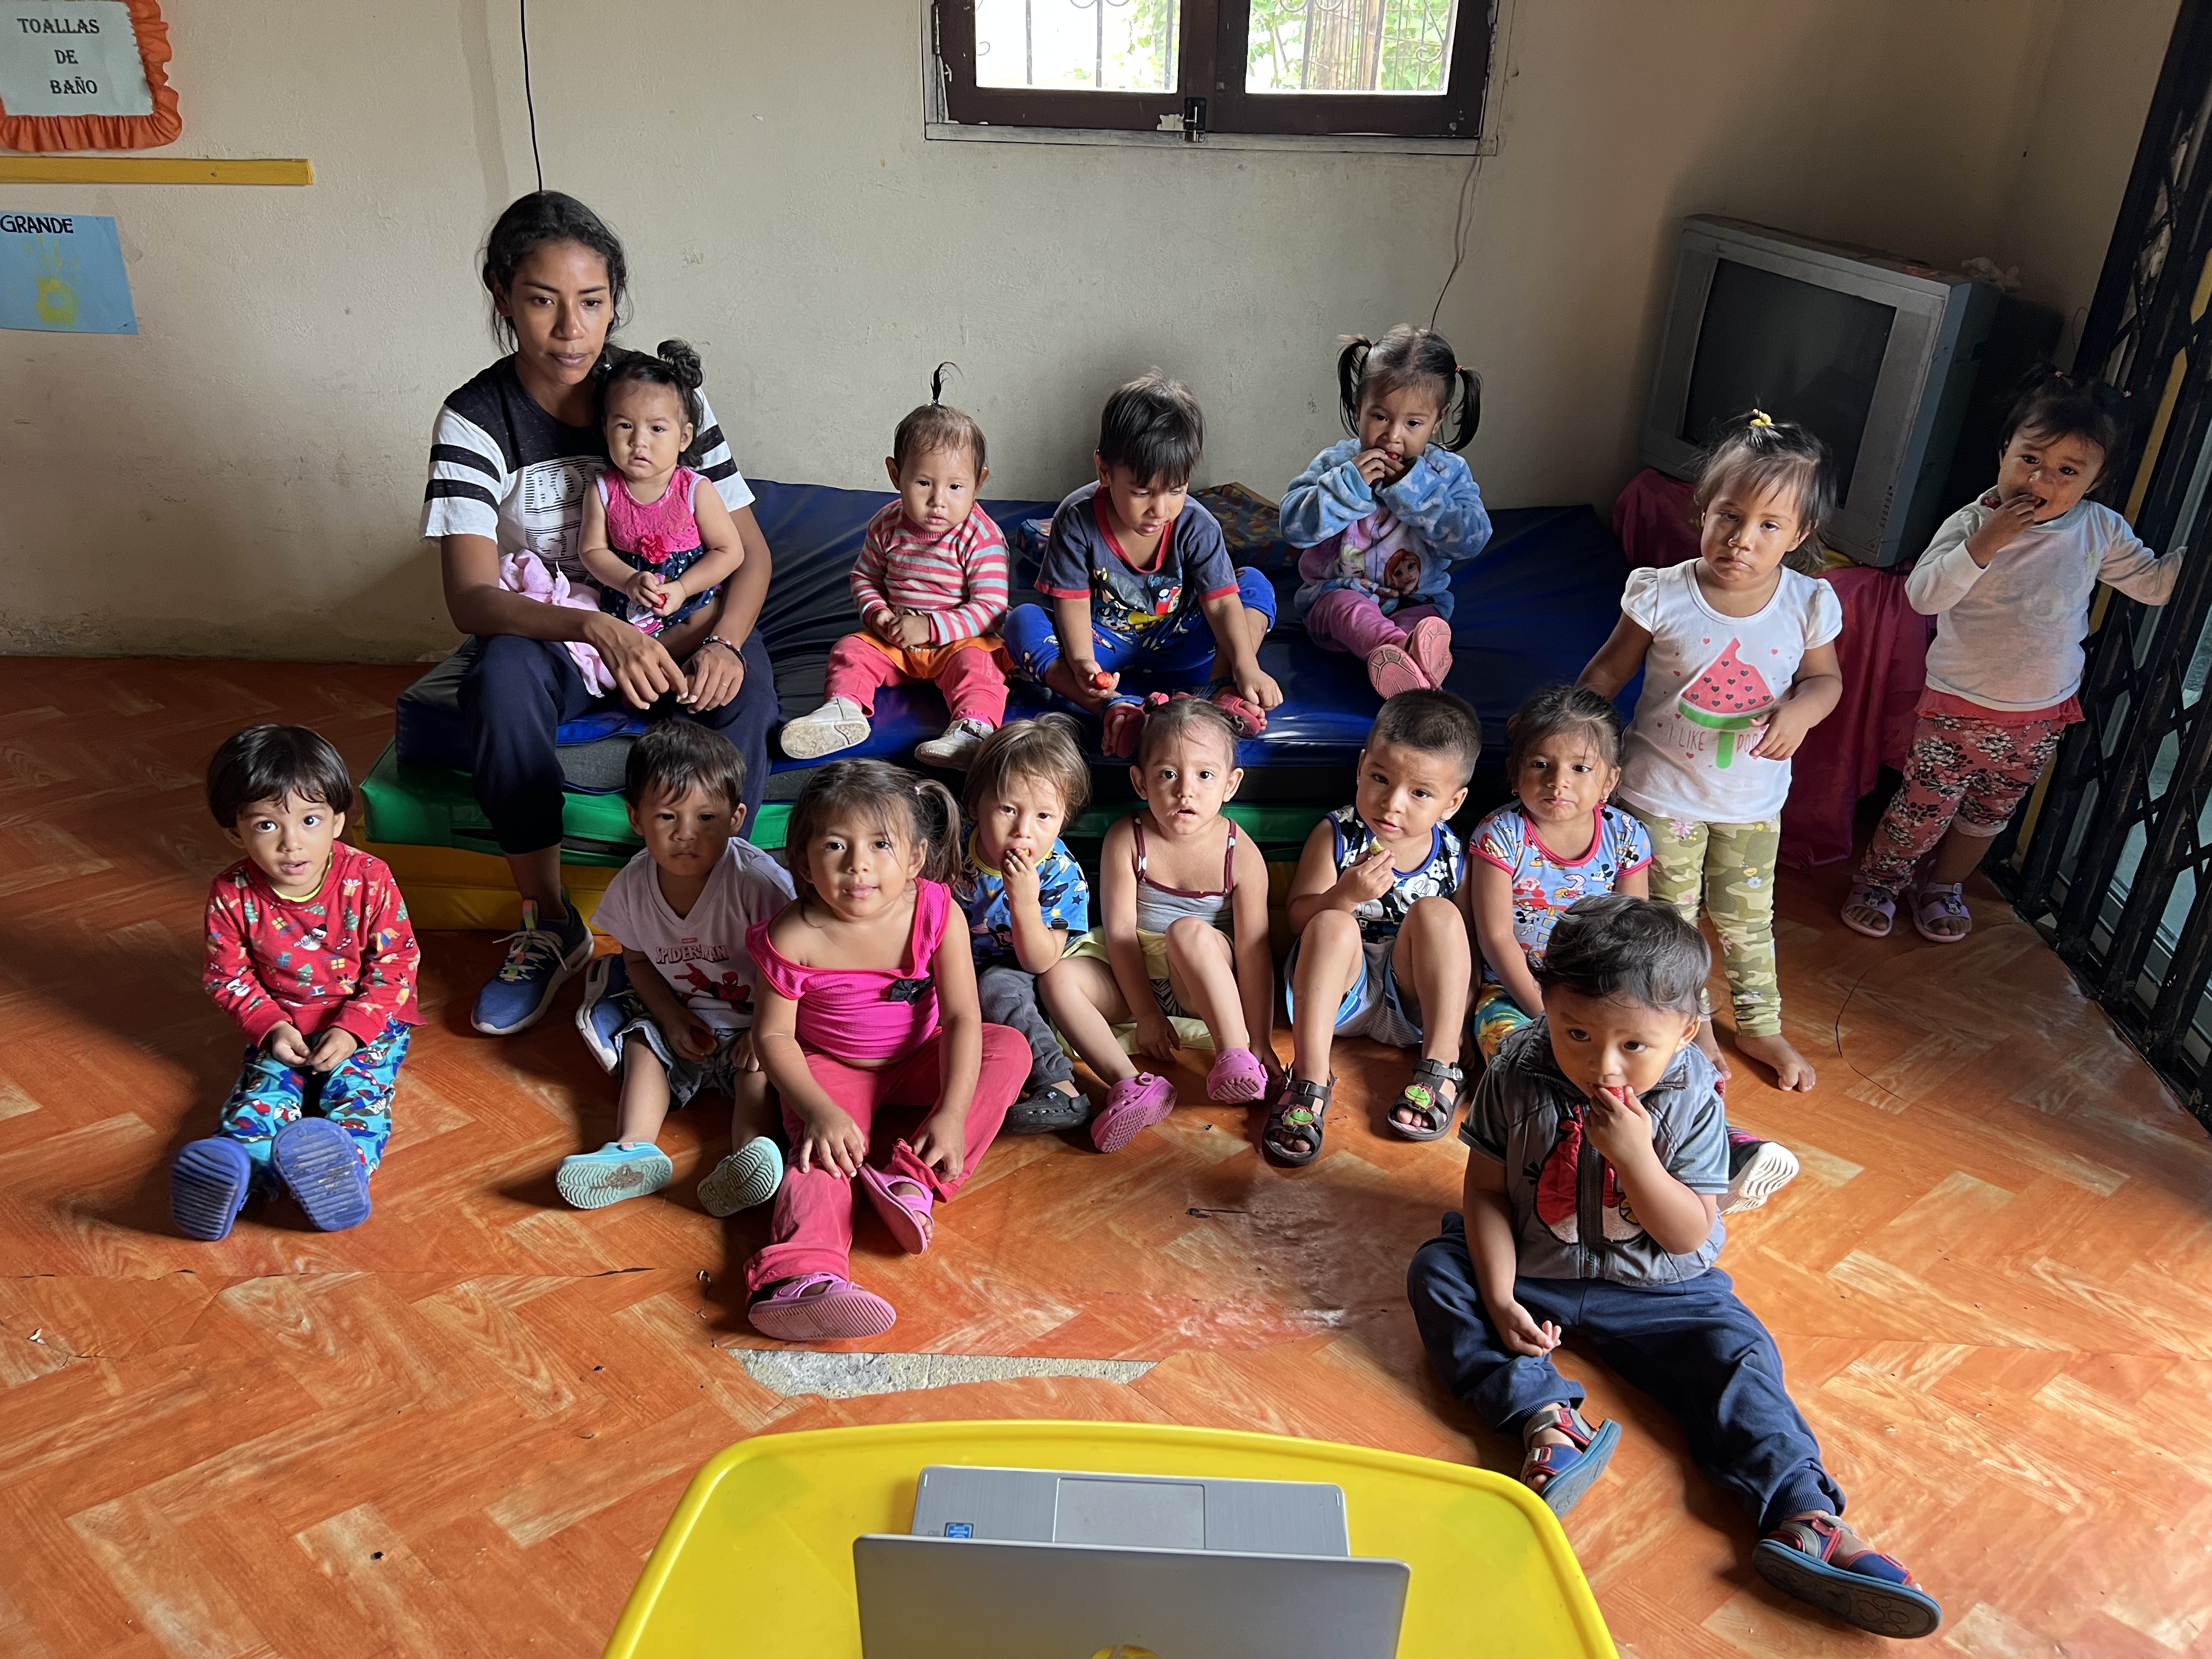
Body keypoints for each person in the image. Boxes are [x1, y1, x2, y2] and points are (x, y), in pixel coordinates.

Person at [1406, 896, 1943, 1640]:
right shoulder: (1516, 1068)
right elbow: (1488, 1193)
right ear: (1547, 1004)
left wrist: (1636, 1158)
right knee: (1440, 1271)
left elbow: (1690, 1232)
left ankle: (1803, 1516)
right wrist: (1498, 1296)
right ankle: (1547, 1421)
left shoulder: (1692, 1092)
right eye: (1576, 1032)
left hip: (1662, 1288)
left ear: (1686, 1030)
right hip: (1536, 1268)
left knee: (1739, 1355)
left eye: (1635, 1044)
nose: (1602, 1063)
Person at [422, 191, 778, 1039]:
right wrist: (594, 628)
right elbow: (470, 597)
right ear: (503, 295)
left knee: (746, 691)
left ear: (616, 299)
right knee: (499, 680)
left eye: (591, 301)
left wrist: (727, 643)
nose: (570, 329)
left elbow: (750, 554)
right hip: (565, 635)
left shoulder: (663, 395)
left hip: (681, 622)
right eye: (542, 300)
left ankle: (716, 916)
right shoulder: (476, 420)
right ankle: (551, 922)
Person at [1843, 368, 2181, 941]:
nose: (2041, 478)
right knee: (1922, 808)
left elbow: (2151, 585)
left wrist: (2191, 560)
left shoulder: (2099, 530)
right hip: (1957, 706)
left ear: (2096, 481)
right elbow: (1923, 596)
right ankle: (1880, 882)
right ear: (2004, 451)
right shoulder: (1973, 522)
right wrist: (1984, 545)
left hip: (2040, 714)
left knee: (1987, 815)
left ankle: (1944, 887)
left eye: (2068, 471)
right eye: (2029, 458)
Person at [1578, 412, 1843, 1092]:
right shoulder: (1662, 592)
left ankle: (1759, 1023)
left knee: (1748, 921)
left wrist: (1804, 710)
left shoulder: (1808, 602)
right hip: (1658, 794)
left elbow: (1825, 680)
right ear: (1704, 507)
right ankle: (1687, 1021)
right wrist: (1575, 739)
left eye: (1769, 526)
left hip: (1752, 803)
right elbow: (1606, 673)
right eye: (1729, 516)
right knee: (1668, 921)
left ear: (1801, 534)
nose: (1741, 539)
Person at [1471, 685, 1798, 1213]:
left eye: (1580, 768)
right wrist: (1545, 1010)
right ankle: (1586, 1161)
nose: (1557, 782)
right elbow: (1497, 937)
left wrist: (1679, 1023)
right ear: (1515, 774)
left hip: (1609, 997)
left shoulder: (1625, 836)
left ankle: (1722, 1147)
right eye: (1540, 765)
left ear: (1610, 781)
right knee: (1520, 1055)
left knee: (1655, 1053)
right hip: (1515, 993)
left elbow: (1636, 933)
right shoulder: (1500, 836)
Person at [743, 761, 1028, 1341]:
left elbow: (962, 1017)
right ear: (804, 862)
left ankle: (912, 1182)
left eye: (880, 844)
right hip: (830, 1068)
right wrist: (819, 1110)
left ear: (916, 858)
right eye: (835, 845)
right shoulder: (792, 936)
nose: (859, 864)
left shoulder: (936, 911)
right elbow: (772, 1037)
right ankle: (803, 1276)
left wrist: (952, 1114)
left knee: (1010, 1049)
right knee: (822, 1156)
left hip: (922, 1054)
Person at [172, 726, 420, 1240]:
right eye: (267, 825)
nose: (291, 843)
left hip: (369, 1023)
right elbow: (227, 976)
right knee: (261, 1095)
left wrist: (354, 1028)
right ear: (235, 832)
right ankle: (238, 1173)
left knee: (359, 1095)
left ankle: (340, 1172)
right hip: (283, 1026)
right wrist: (270, 1026)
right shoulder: (231, 893)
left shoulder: (370, 877)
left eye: (310, 820)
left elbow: (397, 961)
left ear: (338, 821)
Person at [561, 724, 793, 1215]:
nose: (686, 833)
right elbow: (637, 961)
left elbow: (795, 966)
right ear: (636, 818)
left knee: (758, 1073)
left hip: (758, 1023)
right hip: (687, 1020)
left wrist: (766, 1032)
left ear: (736, 819)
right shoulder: (632, 887)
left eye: (706, 817)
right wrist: (670, 1018)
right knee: (642, 1043)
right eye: (667, 816)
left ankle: (749, 1158)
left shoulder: (759, 885)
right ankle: (633, 1149)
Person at [1040, 698, 1277, 1153]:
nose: (1186, 791)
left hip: (1199, 985)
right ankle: (1130, 1085)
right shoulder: (1127, 837)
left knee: (1187, 931)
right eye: (1168, 774)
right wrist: (1146, 1014)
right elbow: (1121, 934)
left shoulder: (1239, 852)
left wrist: (1260, 1038)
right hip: (1134, 981)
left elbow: (1253, 949)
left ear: (1230, 785)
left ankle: (1235, 1055)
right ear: (1141, 781)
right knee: (1057, 977)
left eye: (1204, 775)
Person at [1001, 373, 1281, 757]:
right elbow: (1073, 602)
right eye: (1141, 492)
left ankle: (1219, 690)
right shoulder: (1076, 519)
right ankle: (1115, 708)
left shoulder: (1197, 525)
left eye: (1176, 490)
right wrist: (1082, 663)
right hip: (1105, 644)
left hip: (1179, 640)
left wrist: (1247, 666)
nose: (1160, 509)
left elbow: (1220, 604)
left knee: (1254, 585)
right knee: (1020, 621)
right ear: (1104, 471)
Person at [1271, 690, 1479, 1165]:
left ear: (1453, 802)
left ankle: (1441, 1066)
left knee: (1440, 914)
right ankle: (1309, 1078)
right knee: (1331, 923)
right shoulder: (1338, 834)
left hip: (1412, 1003)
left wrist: (1462, 1020)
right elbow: (1298, 919)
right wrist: (1344, 896)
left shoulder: (1453, 854)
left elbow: (1463, 949)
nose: (1392, 803)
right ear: (1362, 767)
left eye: (1420, 793)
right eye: (1381, 779)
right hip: (1340, 998)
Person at [781, 366, 1013, 771]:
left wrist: (930, 628)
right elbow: (864, 578)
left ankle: (972, 732)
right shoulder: (887, 524)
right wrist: (880, 616)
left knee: (980, 667)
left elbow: (991, 608)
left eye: (955, 487)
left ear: (979, 482)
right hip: (897, 643)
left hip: (958, 643)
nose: (938, 500)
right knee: (850, 650)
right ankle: (843, 711)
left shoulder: (981, 536)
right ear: (895, 475)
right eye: (923, 483)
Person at [1281, 326, 1492, 697]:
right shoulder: (1336, 464)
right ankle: (1402, 654)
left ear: (1438, 420)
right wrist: (1348, 487)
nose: (1393, 435)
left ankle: (1411, 662)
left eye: (1413, 423)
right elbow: (1293, 526)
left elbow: (1471, 540)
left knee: (1427, 623)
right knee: (1347, 608)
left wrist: (1418, 492)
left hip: (1416, 601)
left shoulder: (1447, 473)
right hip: (1336, 597)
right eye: (1380, 417)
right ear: (1358, 407)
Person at [956, 716, 1096, 1134]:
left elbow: (1039, 961)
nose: (1023, 831)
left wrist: (1023, 902)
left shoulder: (1060, 873)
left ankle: (1060, 1086)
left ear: (1063, 820)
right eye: (1008, 809)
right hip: (949, 962)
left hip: (1015, 967)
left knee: (996, 989)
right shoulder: (951, 850)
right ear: (975, 805)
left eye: (1044, 816)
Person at [575, 341, 748, 642]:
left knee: (706, 618)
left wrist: (682, 588)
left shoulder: (695, 490)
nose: (639, 441)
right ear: (606, 430)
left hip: (692, 604)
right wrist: (629, 580)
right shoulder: (603, 490)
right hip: (627, 607)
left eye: (657, 429)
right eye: (625, 426)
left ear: (684, 438)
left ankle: (663, 657)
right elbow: (592, 551)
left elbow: (730, 552)